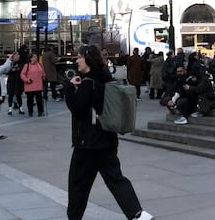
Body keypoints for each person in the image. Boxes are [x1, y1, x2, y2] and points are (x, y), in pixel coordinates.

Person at [65, 44, 152, 220]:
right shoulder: (106, 79)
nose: (78, 61)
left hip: (88, 143)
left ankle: (74, 218)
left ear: (88, 59)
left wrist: (69, 89)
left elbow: (78, 109)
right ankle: (137, 214)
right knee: (116, 179)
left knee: (78, 184)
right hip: (107, 138)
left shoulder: (88, 83)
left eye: (80, 57)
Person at [7, 47, 25, 115]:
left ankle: (20, 108)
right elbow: (7, 71)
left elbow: (20, 69)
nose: (17, 57)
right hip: (11, 81)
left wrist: (14, 69)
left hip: (18, 81)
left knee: (18, 95)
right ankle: (10, 108)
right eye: (16, 56)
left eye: (18, 55)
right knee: (10, 95)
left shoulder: (21, 62)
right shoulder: (10, 63)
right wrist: (12, 70)